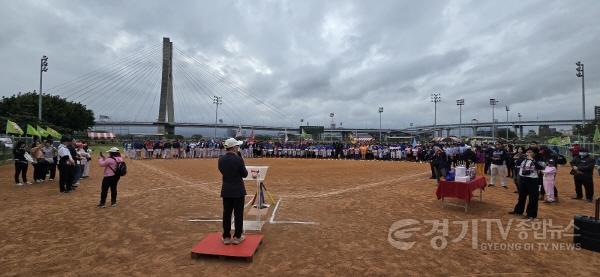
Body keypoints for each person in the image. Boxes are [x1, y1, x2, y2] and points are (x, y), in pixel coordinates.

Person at [218, 138, 248, 245]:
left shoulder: (221, 159)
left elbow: (222, 171)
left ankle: (226, 237)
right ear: (234, 147)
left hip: (226, 190)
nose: (238, 148)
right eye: (237, 146)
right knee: (238, 214)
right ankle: (237, 237)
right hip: (238, 190)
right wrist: (240, 159)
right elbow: (245, 174)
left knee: (227, 214)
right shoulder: (238, 159)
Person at [509, 148, 545, 220]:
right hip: (523, 179)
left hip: (532, 180)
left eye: (530, 152)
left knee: (533, 198)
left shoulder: (538, 160)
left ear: (534, 153)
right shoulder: (523, 159)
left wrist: (532, 159)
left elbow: (541, 167)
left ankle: (531, 214)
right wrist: (515, 157)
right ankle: (518, 211)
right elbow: (513, 163)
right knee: (521, 196)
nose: (528, 153)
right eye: (527, 152)